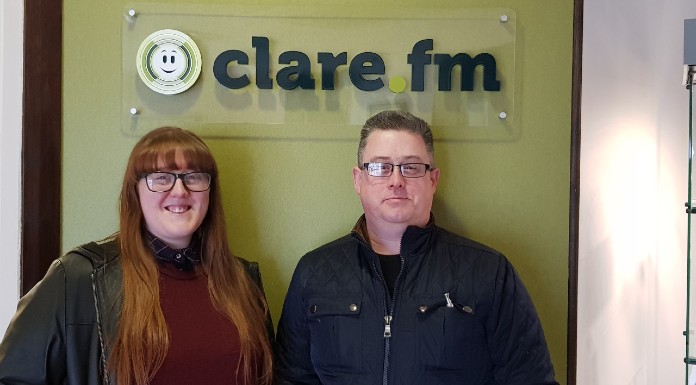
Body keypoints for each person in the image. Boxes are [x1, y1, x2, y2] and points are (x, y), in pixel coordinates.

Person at [274, 110, 559, 385]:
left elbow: (530, 379)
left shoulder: (488, 272)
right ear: (358, 180)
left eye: (410, 167)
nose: (396, 181)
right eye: (379, 167)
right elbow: (292, 379)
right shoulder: (315, 272)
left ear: (433, 180)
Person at [0, 127, 273, 385]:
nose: (180, 191)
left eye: (194, 176)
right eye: (162, 178)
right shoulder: (79, 277)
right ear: (135, 192)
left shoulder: (243, 281)